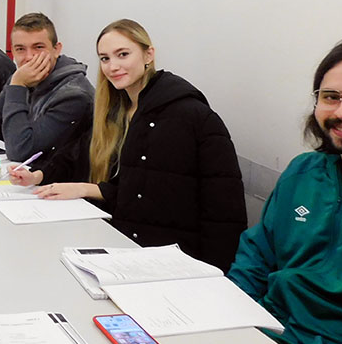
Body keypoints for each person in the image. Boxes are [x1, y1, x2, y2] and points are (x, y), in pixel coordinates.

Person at [13, 19, 246, 271]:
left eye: (122, 54)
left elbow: (222, 212)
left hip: (173, 261)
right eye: (105, 59)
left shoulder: (188, 115)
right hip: (127, 246)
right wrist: (39, 175)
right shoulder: (119, 108)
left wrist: (214, 275)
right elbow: (79, 152)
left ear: (149, 54)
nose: (113, 67)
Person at [228, 39, 342, 344]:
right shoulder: (302, 173)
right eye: (331, 97)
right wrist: (236, 321)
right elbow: (255, 258)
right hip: (266, 333)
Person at [0, 12, 94, 166]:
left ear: (56, 49)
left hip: (58, 183)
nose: (29, 57)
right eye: (20, 49)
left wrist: (18, 86)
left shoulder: (74, 95)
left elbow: (21, 150)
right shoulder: (24, 76)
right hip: (25, 176)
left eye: (38, 47)